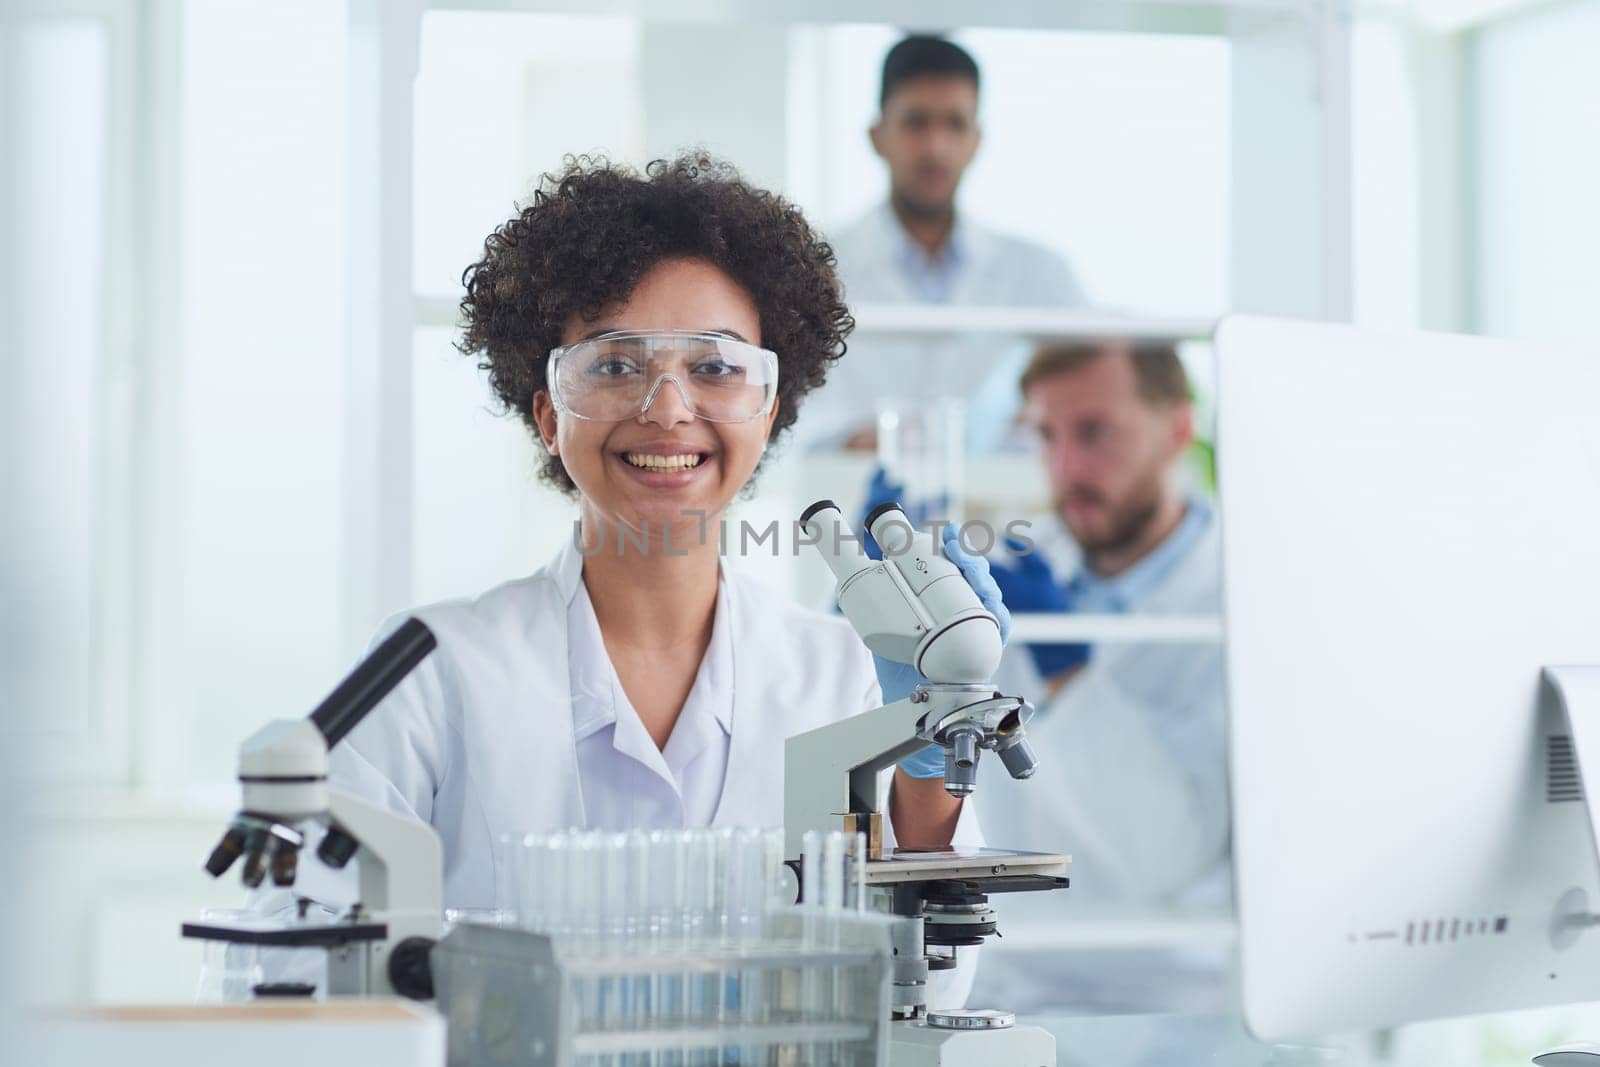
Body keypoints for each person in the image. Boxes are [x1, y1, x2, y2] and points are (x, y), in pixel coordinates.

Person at [257, 154, 1011, 1005]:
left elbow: (933, 998)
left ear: (770, 409)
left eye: (717, 367)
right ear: (548, 411)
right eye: (615, 365)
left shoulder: (842, 677)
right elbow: (289, 967)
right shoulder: (426, 671)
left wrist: (918, 749)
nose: (666, 409)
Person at [985, 339, 1227, 905]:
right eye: (1048, 436)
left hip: (1154, 978)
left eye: (1094, 432)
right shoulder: (1021, 570)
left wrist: (1068, 674)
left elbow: (1174, 853)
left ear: (1178, 431)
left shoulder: (1237, 602)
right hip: (1009, 967)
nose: (1066, 469)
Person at [801, 34, 1088, 453]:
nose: (936, 148)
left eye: (955, 124)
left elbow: (1088, 390)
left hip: (1005, 515)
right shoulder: (813, 269)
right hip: (851, 510)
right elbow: (779, 417)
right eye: (916, 122)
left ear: (976, 140)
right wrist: (847, 440)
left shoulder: (1040, 273)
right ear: (877, 136)